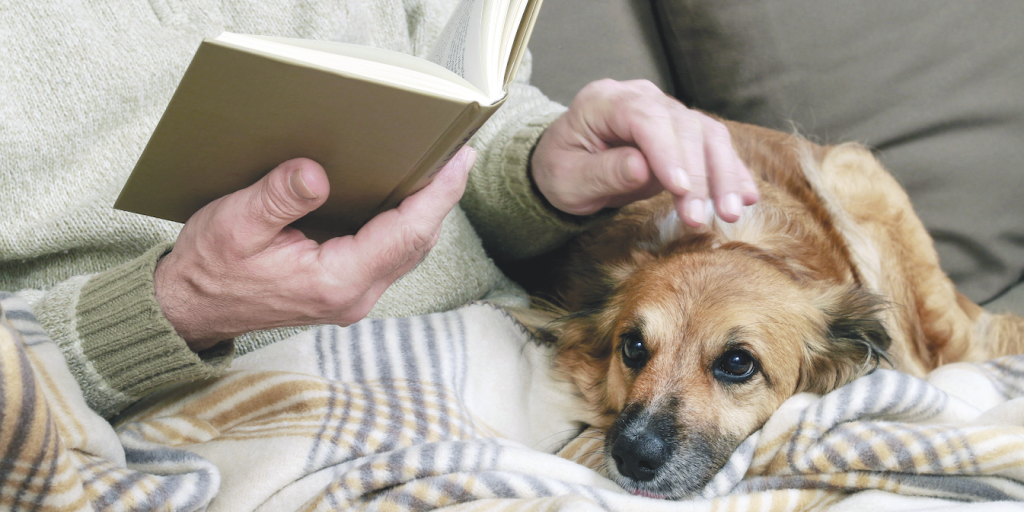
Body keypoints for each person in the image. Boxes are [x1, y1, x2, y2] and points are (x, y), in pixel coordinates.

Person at [0, 0, 757, 420]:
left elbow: (464, 117)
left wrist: (540, 169)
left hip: (531, 368)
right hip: (216, 424)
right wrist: (177, 308)